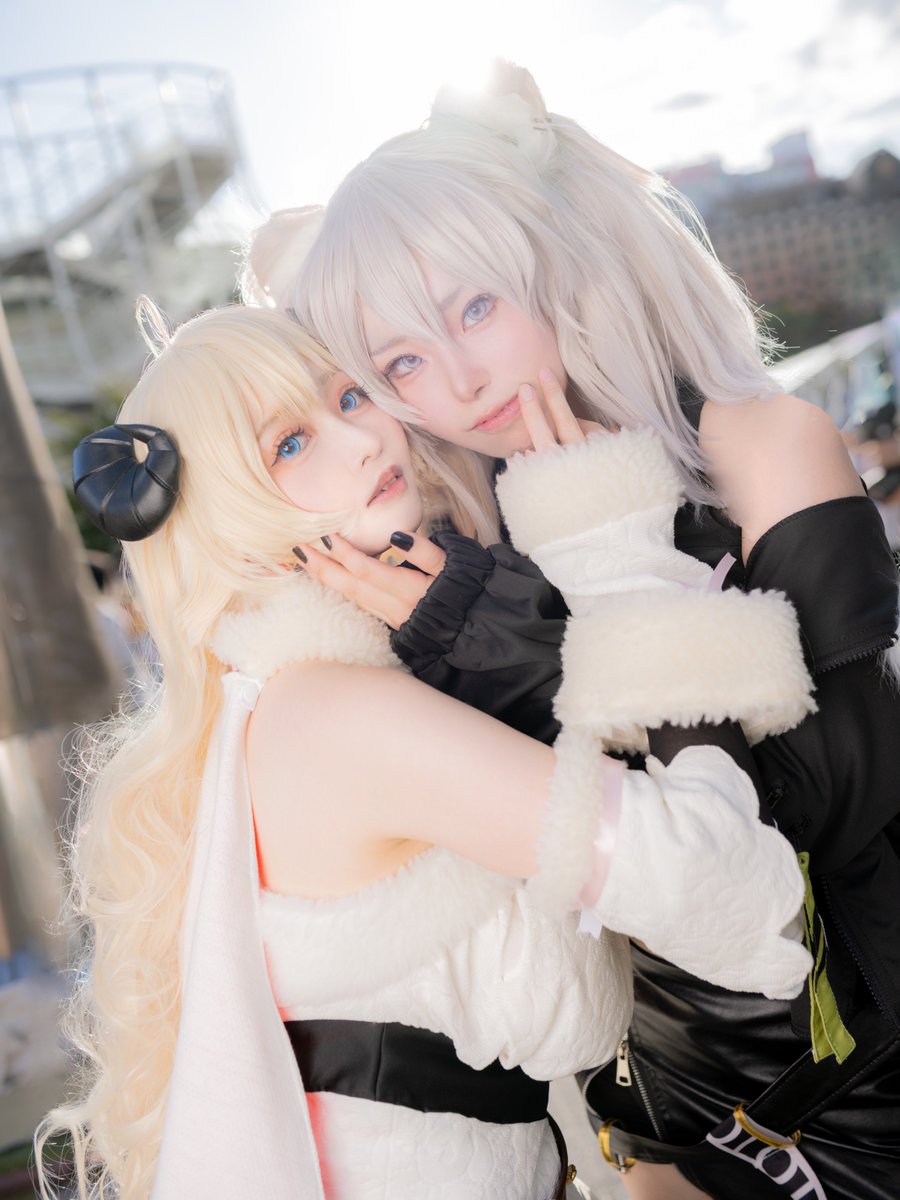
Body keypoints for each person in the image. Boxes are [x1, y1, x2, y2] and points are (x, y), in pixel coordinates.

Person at [262, 62, 900, 1200]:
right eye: (402, 362)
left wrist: (527, 645)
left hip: (848, 1092)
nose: (461, 381)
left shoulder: (758, 444)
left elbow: (827, 814)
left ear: (552, 265)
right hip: (652, 1101)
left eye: (475, 309)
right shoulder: (477, 538)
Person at [36, 304, 812, 1200]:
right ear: (225, 515)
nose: (361, 439)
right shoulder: (334, 715)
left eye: (349, 396)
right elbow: (732, 889)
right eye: (289, 444)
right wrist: (614, 556)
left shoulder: (286, 699)